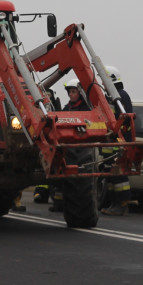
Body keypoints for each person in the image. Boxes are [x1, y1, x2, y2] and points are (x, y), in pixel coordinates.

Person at [46, 78, 88, 212]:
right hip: (65, 146)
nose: (70, 94)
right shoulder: (66, 108)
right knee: (59, 175)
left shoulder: (85, 109)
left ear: (80, 93)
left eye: (74, 91)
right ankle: (58, 202)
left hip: (79, 148)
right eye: (70, 92)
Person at [101, 65, 134, 217]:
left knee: (119, 174)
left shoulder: (121, 96)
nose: (102, 83)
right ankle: (114, 203)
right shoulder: (112, 96)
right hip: (112, 142)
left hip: (119, 141)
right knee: (112, 174)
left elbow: (124, 119)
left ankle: (121, 204)